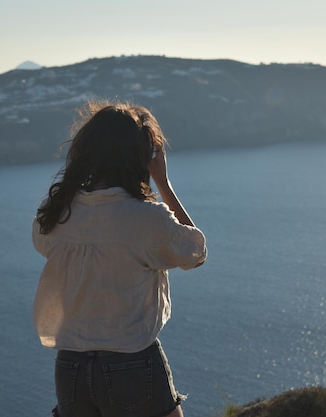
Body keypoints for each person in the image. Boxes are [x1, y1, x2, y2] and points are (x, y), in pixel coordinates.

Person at [32, 100, 207, 417]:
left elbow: (44, 244)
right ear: (141, 158)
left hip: (70, 365)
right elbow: (195, 253)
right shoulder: (147, 219)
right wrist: (163, 184)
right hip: (132, 361)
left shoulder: (56, 212)